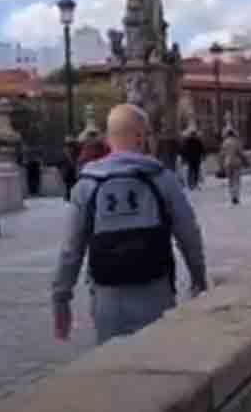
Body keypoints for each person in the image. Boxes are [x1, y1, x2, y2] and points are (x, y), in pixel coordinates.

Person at [51, 104, 207, 346]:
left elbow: (71, 249)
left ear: (109, 138)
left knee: (115, 369)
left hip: (107, 298)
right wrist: (199, 277)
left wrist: (61, 297)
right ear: (139, 136)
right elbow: (189, 234)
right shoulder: (162, 178)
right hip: (156, 292)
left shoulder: (87, 185)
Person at [219, 128, 246, 205]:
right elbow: (241, 153)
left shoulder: (224, 143)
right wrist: (246, 161)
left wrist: (221, 165)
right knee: (237, 180)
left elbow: (222, 155)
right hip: (236, 163)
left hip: (227, 163)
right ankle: (236, 196)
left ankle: (232, 196)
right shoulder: (237, 142)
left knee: (230, 181)